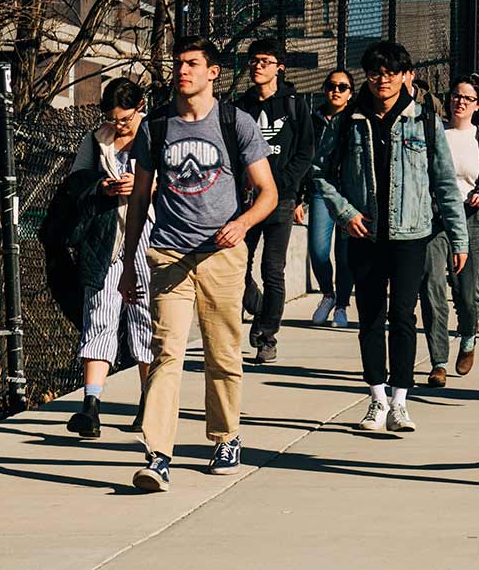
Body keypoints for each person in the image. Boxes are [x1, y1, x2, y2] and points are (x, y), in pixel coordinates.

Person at [121, 38, 278, 491]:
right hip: (168, 253)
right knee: (166, 353)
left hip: (222, 254)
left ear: (213, 72)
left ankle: (226, 436)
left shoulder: (236, 122)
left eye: (192, 64)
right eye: (178, 64)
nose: (182, 71)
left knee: (222, 353)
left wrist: (243, 224)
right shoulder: (156, 126)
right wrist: (131, 260)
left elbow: (268, 193)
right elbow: (138, 199)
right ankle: (158, 455)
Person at [313, 40, 466, 435]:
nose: (384, 79)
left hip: (411, 235)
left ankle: (400, 401)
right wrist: (345, 214)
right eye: (377, 72)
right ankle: (376, 397)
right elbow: (321, 174)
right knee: (370, 320)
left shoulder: (424, 122)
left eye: (392, 72)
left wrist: (459, 238)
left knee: (402, 316)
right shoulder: (347, 121)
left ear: (404, 75)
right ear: (367, 75)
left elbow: (445, 184)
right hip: (363, 235)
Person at [61, 78, 153, 439]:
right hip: (107, 238)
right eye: (113, 119)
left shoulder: (157, 134)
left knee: (145, 320)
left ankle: (150, 401)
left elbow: (178, 181)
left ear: (140, 106)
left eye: (125, 118)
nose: (119, 125)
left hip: (148, 235)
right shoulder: (95, 140)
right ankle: (91, 406)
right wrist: (102, 186)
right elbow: (74, 182)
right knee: (98, 315)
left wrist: (146, 185)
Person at [234, 38, 318, 363]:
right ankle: (261, 308)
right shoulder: (241, 107)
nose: (257, 66)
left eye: (265, 61)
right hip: (246, 201)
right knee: (238, 264)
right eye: (254, 60)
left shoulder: (295, 106)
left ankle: (267, 336)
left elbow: (305, 152)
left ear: (279, 68)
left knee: (273, 268)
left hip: (281, 199)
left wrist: (282, 185)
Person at [421, 73, 479, 385]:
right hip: (435, 220)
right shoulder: (434, 132)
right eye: (456, 96)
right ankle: (438, 360)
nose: (460, 102)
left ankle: (468, 338)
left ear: (478, 105)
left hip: (471, 219)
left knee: (467, 293)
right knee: (432, 287)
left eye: (467, 98)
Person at [306, 70, 356, 328]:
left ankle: (342, 306)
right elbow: (302, 155)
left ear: (350, 92)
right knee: (318, 250)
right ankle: (328, 293)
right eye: (331, 86)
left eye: (342, 87)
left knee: (345, 254)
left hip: (349, 191)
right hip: (319, 189)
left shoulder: (356, 119)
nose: (336, 91)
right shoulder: (312, 117)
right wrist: (297, 198)